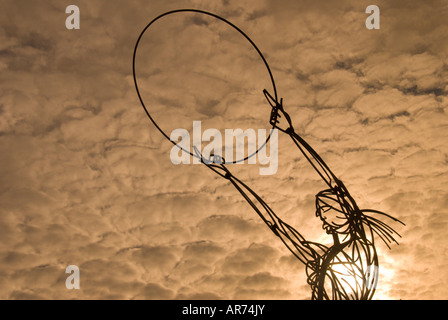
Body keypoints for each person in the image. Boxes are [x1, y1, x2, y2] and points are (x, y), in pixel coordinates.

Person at [198, 90, 404, 300]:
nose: (319, 216)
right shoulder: (326, 258)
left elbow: (332, 181)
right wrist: (232, 178)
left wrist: (291, 133)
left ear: (341, 209)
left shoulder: (360, 241)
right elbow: (280, 226)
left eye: (323, 209)